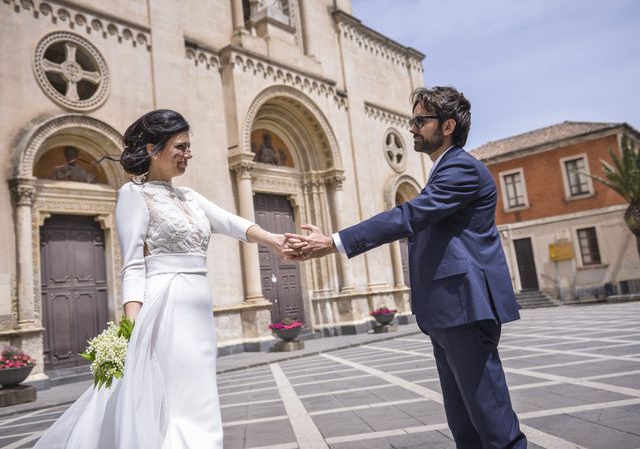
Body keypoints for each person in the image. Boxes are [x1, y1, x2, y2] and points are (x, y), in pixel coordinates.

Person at [285, 86, 527, 448]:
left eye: (419, 120)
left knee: (493, 425)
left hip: (465, 309)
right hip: (447, 313)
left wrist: (333, 242)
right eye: (412, 120)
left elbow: (408, 215)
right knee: (466, 427)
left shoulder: (461, 168)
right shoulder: (443, 170)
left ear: (447, 125)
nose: (412, 128)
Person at [34, 109, 287, 448]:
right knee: (173, 400)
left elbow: (232, 223)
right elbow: (133, 264)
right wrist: (131, 330)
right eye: (180, 147)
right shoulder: (132, 195)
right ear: (153, 150)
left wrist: (275, 240)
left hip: (199, 310)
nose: (188, 154)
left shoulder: (190, 197)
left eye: (188, 147)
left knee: (200, 393)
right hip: (165, 307)